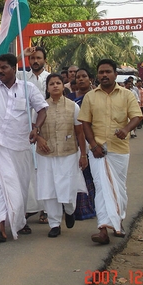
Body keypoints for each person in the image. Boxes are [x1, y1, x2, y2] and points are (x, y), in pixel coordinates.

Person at [0, 50, 48, 243]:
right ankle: (1, 227)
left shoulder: (28, 88)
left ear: (14, 69)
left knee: (21, 186)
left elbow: (42, 110)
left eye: (4, 68)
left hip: (21, 145)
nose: (0, 71)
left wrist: (36, 128)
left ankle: (20, 220)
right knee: (4, 184)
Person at [78, 58, 143, 245]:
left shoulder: (127, 95)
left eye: (108, 72)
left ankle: (118, 222)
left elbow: (137, 116)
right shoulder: (90, 96)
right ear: (97, 75)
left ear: (115, 74)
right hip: (97, 150)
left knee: (118, 188)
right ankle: (103, 228)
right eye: (101, 72)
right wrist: (93, 145)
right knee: (101, 188)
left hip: (119, 149)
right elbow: (85, 122)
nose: (104, 75)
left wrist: (125, 129)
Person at [35, 73, 88, 238]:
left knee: (67, 187)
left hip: (68, 153)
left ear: (62, 86)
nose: (55, 86)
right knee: (49, 189)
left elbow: (80, 133)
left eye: (58, 83)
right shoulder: (40, 107)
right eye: (52, 83)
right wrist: (39, 138)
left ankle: (70, 210)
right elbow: (32, 128)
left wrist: (83, 154)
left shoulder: (73, 107)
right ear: (47, 87)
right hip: (46, 153)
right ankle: (55, 224)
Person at [15, 46, 49, 224]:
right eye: (32, 58)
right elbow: (9, 69)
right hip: (26, 131)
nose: (35, 61)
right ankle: (30, 207)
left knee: (43, 170)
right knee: (29, 170)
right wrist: (22, 55)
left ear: (45, 60)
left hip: (46, 129)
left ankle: (45, 209)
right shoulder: (22, 77)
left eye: (38, 58)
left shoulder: (49, 79)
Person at [66, 68, 96, 222]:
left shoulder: (95, 96)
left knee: (89, 174)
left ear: (90, 78)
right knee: (76, 174)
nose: (81, 79)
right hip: (73, 140)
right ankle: (74, 209)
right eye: (78, 77)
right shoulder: (69, 98)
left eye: (84, 76)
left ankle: (90, 207)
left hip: (91, 140)